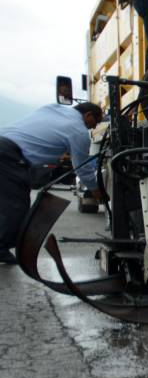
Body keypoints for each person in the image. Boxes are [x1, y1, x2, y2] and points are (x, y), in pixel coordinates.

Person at [0, 103, 104, 264]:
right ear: (88, 115)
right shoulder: (78, 130)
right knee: (16, 206)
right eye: (95, 123)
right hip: (9, 155)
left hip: (4, 142)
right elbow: (83, 168)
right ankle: (1, 248)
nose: (94, 127)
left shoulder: (54, 108)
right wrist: (97, 192)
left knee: (5, 203)